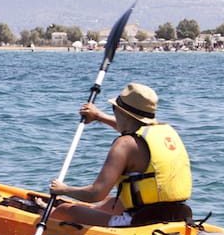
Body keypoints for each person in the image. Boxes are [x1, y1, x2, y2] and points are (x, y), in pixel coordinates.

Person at [47, 81, 194, 227]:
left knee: (65, 211)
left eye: (114, 109)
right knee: (111, 203)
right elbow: (132, 128)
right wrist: (98, 116)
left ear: (121, 112)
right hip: (178, 215)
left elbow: (96, 194)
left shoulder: (124, 145)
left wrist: (63, 189)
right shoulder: (165, 132)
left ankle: (46, 219)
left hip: (140, 222)